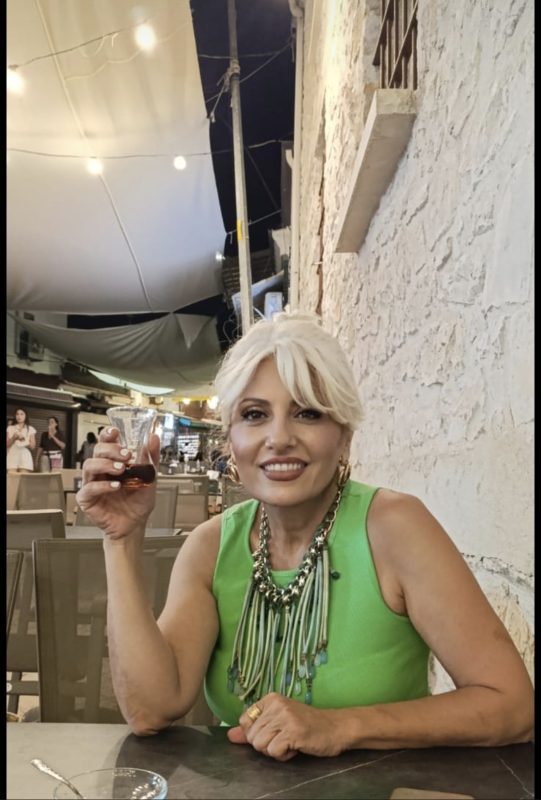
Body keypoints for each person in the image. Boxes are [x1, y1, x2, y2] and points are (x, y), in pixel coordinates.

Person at [76, 312, 533, 761]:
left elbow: (513, 706)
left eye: (308, 413)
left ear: (344, 436)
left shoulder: (395, 528)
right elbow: (150, 710)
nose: (279, 438)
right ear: (231, 439)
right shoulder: (211, 546)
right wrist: (122, 539)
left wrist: (341, 726)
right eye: (255, 414)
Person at [6, 407, 37, 474]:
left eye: (21, 414)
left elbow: (33, 446)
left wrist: (23, 440)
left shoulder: (31, 429)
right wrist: (14, 438)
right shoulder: (10, 428)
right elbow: (7, 445)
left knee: (23, 478)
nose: (19, 416)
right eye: (17, 414)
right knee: (12, 478)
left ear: (26, 416)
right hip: (12, 454)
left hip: (24, 455)